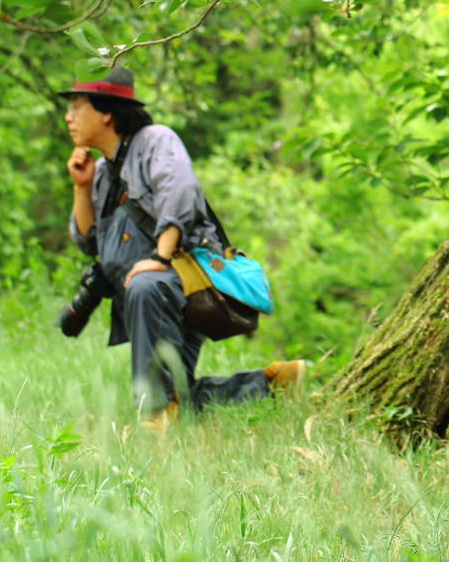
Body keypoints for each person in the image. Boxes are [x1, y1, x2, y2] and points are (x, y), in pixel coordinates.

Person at [63, 67, 308, 429]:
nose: (68, 117)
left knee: (147, 286)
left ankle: (153, 418)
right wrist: (81, 187)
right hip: (148, 303)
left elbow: (180, 194)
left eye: (76, 106)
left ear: (106, 111)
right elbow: (88, 241)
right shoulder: (101, 170)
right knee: (181, 394)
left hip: (178, 286)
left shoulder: (155, 140)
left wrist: (159, 258)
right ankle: (273, 383)